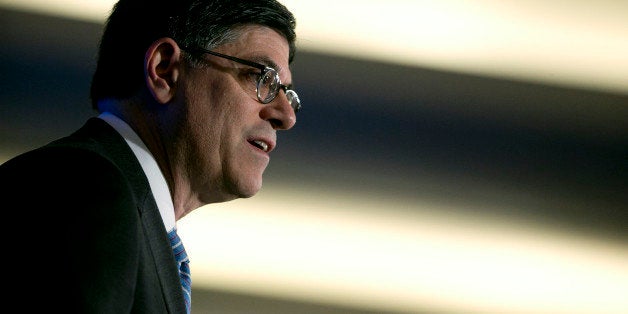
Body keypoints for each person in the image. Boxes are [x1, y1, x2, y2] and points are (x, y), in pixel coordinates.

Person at [0, 0, 299, 313]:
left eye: (287, 92)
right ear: (164, 70)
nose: (286, 115)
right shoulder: (83, 187)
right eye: (260, 77)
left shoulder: (134, 217)